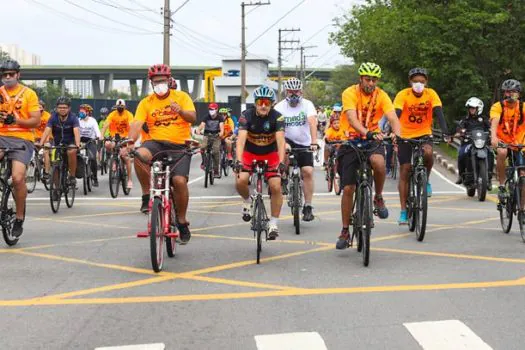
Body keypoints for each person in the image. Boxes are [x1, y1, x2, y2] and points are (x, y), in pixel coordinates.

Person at [129, 63, 196, 244]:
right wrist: (129, 141)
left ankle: (181, 222)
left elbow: (192, 117)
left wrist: (180, 111)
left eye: (163, 81)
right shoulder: (146, 102)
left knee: (179, 181)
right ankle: (145, 195)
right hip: (155, 143)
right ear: (151, 83)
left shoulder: (181, 97)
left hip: (179, 145)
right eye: (156, 81)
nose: (160, 84)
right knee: (139, 155)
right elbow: (136, 124)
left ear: (169, 80)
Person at [336, 62, 401, 250]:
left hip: (373, 139)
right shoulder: (350, 93)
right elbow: (351, 118)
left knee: (379, 163)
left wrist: (397, 134)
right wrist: (367, 132)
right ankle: (345, 230)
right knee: (348, 188)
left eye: (374, 80)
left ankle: (378, 196)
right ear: (360, 79)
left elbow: (392, 117)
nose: (370, 83)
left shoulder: (381, 95)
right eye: (367, 79)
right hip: (351, 140)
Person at [393, 67, 449, 225]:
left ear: (426, 83)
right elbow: (396, 113)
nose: (418, 84)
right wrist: (392, 131)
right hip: (404, 134)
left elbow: (439, 112)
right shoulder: (403, 94)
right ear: (410, 82)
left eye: (422, 82)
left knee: (428, 153)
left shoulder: (431, 94)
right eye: (415, 81)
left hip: (424, 132)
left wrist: (446, 132)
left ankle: (427, 180)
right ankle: (404, 211)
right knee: (405, 169)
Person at [235, 85, 285, 240]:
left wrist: (282, 162)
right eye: (260, 102)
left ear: (272, 104)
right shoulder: (246, 116)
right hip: (250, 152)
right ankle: (247, 201)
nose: (263, 105)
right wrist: (238, 160)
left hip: (270, 154)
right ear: (255, 103)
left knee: (276, 185)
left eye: (267, 102)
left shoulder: (278, 117)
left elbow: (281, 141)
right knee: (241, 180)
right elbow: (241, 141)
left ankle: (273, 224)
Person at [0, 59, 41, 237]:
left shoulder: (29, 94)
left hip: (22, 139)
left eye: (11, 74)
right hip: (1, 137)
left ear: (18, 75)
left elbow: (36, 121)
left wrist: (16, 120)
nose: (7, 78)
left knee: (17, 178)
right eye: (4, 75)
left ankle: (19, 216)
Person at [274, 77, 318, 222]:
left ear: (301, 92)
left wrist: (313, 142)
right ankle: (285, 177)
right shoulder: (279, 107)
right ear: (286, 92)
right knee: (285, 148)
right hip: (287, 141)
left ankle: (308, 206)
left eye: (296, 92)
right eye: (290, 92)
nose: (293, 95)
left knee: (308, 171)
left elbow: (312, 122)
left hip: (304, 143)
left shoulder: (307, 104)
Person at [489, 79, 525, 200]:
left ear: (519, 93)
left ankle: (522, 210)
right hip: (502, 141)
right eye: (507, 92)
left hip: (519, 143)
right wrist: (493, 137)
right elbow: (494, 122)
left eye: (513, 92)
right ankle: (502, 184)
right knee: (502, 152)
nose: (510, 94)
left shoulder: (522, 107)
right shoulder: (498, 106)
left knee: (523, 176)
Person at [38, 96, 80, 188]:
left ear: (69, 108)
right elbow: (47, 130)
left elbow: (76, 131)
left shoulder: (73, 118)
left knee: (72, 151)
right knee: (55, 164)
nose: (62, 109)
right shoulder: (53, 118)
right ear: (57, 108)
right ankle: (57, 188)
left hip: (70, 143)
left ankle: (72, 176)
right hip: (57, 144)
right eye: (60, 107)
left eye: (64, 107)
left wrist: (77, 144)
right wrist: (41, 143)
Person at [455, 97, 493, 188]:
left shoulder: (484, 119)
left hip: (482, 143)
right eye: (470, 108)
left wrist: (491, 133)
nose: (471, 110)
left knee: (491, 153)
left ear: (478, 109)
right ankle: (461, 175)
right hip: (468, 143)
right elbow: (459, 128)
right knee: (461, 154)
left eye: (473, 108)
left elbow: (491, 128)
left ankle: (489, 178)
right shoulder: (465, 119)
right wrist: (460, 132)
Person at [101, 98, 134, 189]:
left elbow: (131, 125)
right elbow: (105, 125)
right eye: (118, 106)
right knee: (107, 144)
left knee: (125, 157)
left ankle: (129, 180)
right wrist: (102, 135)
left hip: (125, 138)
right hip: (114, 137)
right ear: (116, 107)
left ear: (125, 107)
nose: (120, 108)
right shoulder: (112, 114)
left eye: (121, 106)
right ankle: (114, 159)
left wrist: (131, 137)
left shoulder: (128, 115)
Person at [196, 102, 223, 178]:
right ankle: (204, 163)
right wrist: (198, 130)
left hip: (216, 136)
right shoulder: (206, 117)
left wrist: (221, 133)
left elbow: (222, 128)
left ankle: (216, 170)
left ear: (217, 110)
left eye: (213, 109)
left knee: (215, 151)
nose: (211, 110)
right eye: (210, 109)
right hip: (206, 135)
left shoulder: (220, 118)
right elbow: (202, 125)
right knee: (202, 147)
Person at [78, 104, 101, 187]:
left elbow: (97, 131)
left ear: (87, 112)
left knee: (93, 158)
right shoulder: (78, 120)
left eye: (82, 111)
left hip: (90, 141)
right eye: (80, 111)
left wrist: (98, 136)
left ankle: (95, 177)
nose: (80, 112)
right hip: (79, 141)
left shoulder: (93, 121)